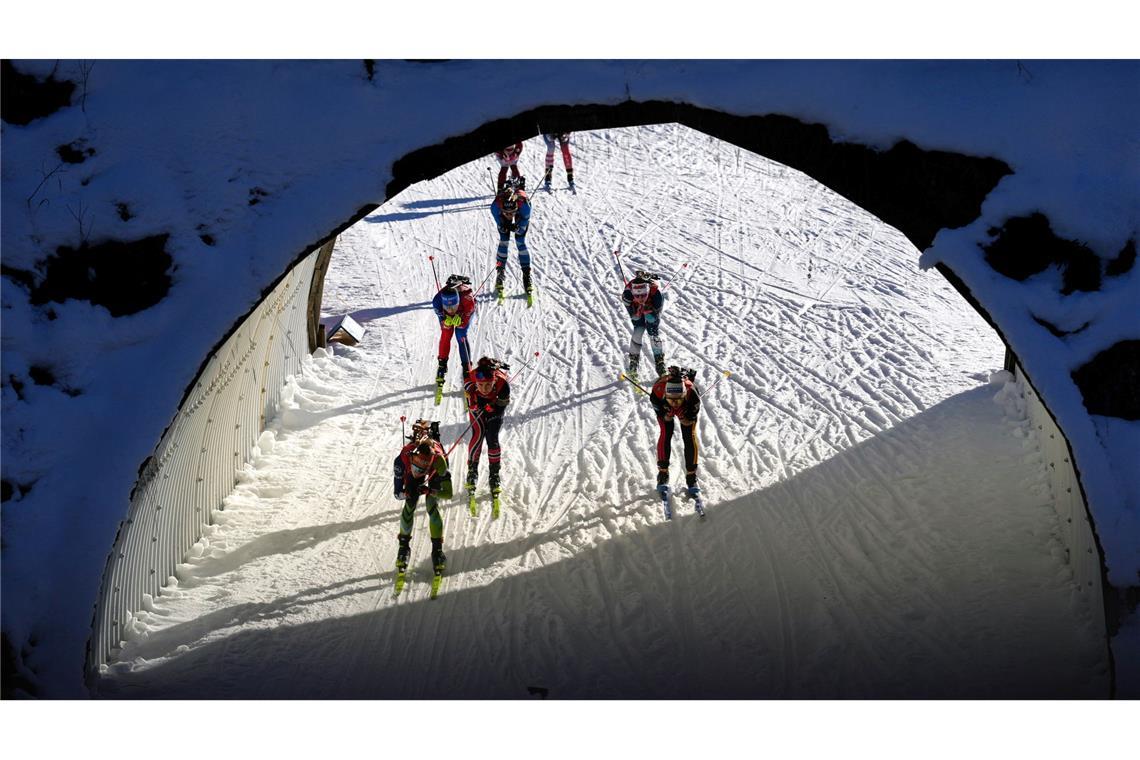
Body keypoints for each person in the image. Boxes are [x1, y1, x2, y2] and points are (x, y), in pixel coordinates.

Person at [392, 419, 454, 576]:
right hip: (424, 469)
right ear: (412, 457)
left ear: (430, 462)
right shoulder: (402, 459)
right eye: (415, 466)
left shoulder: (440, 462)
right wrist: (407, 493)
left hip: (433, 472)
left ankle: (437, 552)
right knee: (410, 503)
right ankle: (403, 548)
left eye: (422, 468)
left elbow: (448, 494)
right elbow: (397, 493)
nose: (417, 471)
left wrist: (431, 491)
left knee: (431, 506)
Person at [463, 356, 511, 510]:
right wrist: (477, 404)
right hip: (478, 407)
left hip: (495, 407)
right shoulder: (470, 383)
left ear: (494, 381)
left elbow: (503, 404)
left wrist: (494, 407)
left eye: (488, 385)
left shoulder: (503, 383)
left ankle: (494, 474)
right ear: (476, 382)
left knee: (492, 437)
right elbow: (471, 404)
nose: (484, 388)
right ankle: (472, 470)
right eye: (481, 385)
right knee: (478, 435)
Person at [649, 366, 701, 503]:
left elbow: (695, 408)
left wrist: (687, 418)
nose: (675, 403)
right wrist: (665, 415)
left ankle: (691, 476)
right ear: (666, 394)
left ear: (684, 393)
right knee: (666, 433)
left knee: (689, 437)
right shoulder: (658, 391)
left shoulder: (691, 392)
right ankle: (663, 472)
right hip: (664, 407)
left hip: (687, 407)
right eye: (672, 399)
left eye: (678, 399)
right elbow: (656, 405)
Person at [431, 274, 477, 396]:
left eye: (453, 306)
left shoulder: (467, 299)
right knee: (446, 333)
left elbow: (469, 313)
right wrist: (445, 320)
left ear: (458, 300)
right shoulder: (437, 302)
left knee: (460, 333)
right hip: (449, 314)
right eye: (448, 307)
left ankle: (467, 369)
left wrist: (462, 320)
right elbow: (441, 316)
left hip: (464, 312)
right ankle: (442, 365)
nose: (451, 309)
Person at [490, 179, 534, 300]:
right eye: (506, 213)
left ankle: (526, 275)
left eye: (512, 213)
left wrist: (517, 227)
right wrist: (504, 224)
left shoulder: (525, 207)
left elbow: (522, 224)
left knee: (520, 241)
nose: (510, 215)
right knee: (504, 239)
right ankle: (500, 272)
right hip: (504, 212)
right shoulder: (495, 207)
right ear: (502, 209)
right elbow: (501, 222)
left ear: (516, 208)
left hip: (521, 213)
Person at [621, 270, 666, 379]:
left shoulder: (656, 295)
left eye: (643, 295)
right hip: (636, 308)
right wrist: (635, 314)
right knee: (639, 330)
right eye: (637, 295)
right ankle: (633, 360)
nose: (640, 298)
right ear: (632, 293)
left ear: (648, 291)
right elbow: (632, 315)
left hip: (652, 307)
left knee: (653, 331)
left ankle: (659, 361)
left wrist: (651, 315)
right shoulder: (627, 296)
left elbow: (656, 316)